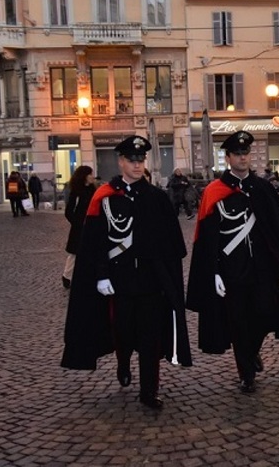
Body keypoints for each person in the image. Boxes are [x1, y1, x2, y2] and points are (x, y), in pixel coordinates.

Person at [61, 135, 191, 410]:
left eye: (140, 160)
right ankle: (122, 362)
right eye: (131, 160)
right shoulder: (104, 197)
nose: (136, 165)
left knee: (150, 337)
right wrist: (101, 275)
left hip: (150, 281)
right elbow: (95, 243)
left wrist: (166, 278)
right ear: (121, 162)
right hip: (118, 281)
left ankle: (149, 390)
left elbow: (172, 243)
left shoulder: (156, 197)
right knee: (122, 331)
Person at [186, 131, 279, 394]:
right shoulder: (214, 192)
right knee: (238, 322)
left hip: (263, 270)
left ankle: (251, 351)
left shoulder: (263, 188)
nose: (243, 158)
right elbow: (207, 239)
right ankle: (246, 372)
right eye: (237, 154)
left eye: (246, 154)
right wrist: (213, 272)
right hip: (232, 271)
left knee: (263, 315)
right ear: (227, 158)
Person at [61, 166, 96, 289]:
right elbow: (69, 211)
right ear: (84, 176)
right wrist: (77, 223)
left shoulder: (93, 190)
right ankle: (67, 276)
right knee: (74, 253)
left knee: (90, 252)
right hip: (79, 228)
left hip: (92, 226)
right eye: (90, 174)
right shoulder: (76, 191)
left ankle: (87, 276)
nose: (93, 176)